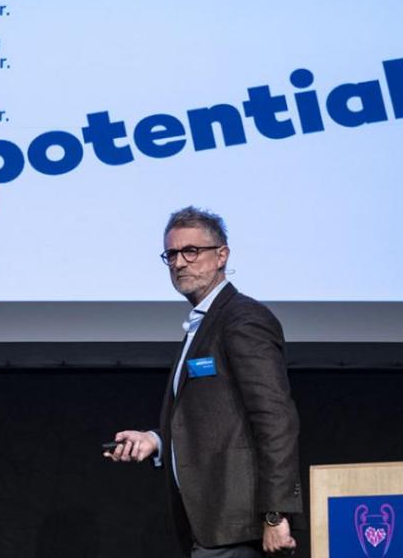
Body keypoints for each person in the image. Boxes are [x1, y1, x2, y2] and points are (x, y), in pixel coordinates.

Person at [105, 206, 303, 557]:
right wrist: (156, 441)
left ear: (222, 255)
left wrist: (275, 514)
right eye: (172, 254)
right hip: (209, 526)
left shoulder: (243, 318)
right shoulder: (203, 323)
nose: (180, 263)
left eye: (192, 251)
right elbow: (216, 421)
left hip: (240, 527)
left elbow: (275, 419)